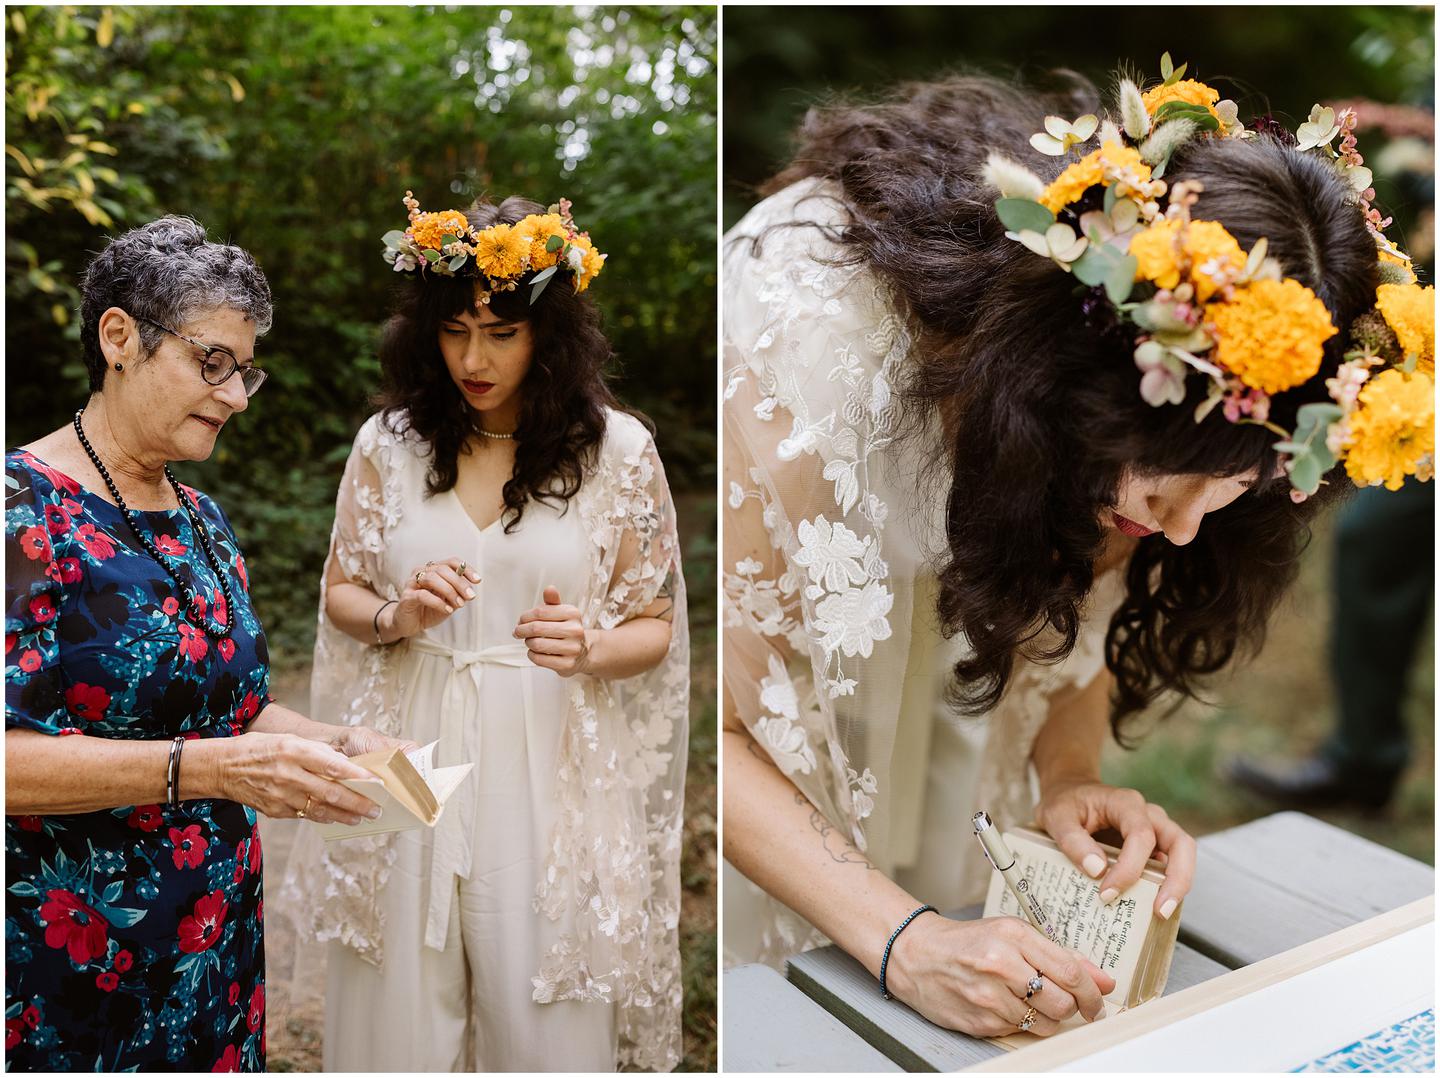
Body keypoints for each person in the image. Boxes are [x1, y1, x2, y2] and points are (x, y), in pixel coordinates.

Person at [722, 58, 1432, 1039]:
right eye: (1157, 488)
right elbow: (718, 731)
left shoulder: (1186, 409)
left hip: (958, 773)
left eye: (1230, 492)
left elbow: (1073, 616)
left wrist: (1068, 775)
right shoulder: (809, 359)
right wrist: (904, 940)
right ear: (1065, 387)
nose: (1182, 531)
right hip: (800, 773)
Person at [280, 193, 689, 1072]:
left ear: (550, 334)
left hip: (547, 747)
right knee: (397, 1010)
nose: (474, 356)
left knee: (538, 1009)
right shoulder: (386, 444)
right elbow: (343, 591)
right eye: (456, 329)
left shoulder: (617, 453)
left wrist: (587, 649)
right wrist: (400, 615)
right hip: (410, 737)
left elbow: (654, 625)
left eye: (501, 332)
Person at [4, 216, 408, 1071]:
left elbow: (238, 710)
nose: (233, 396)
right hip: (71, 960)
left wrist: (335, 745)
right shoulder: (18, 511)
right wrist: (210, 769)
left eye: (244, 371)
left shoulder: (205, 523)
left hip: (216, 949)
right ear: (120, 338)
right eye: (210, 362)